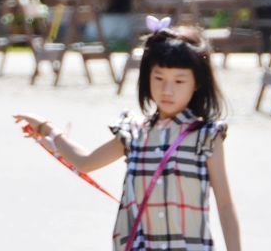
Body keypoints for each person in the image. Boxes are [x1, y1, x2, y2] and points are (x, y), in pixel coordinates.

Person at [14, 22, 241, 250]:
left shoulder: (206, 137)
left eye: (179, 81)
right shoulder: (133, 133)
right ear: (146, 78)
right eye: (159, 78)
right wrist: (46, 128)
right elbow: (85, 162)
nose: (167, 90)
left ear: (197, 83)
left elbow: (225, 205)